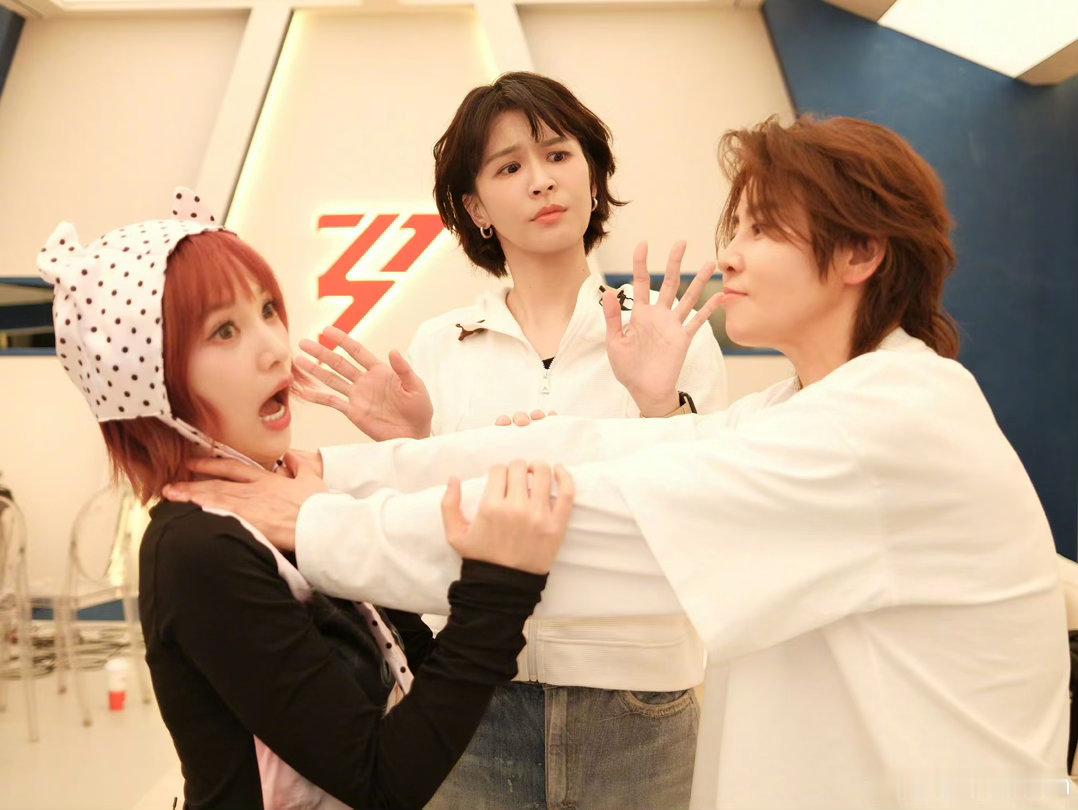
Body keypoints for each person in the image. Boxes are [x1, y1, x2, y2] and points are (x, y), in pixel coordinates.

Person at [167, 117, 1071, 809]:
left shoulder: (883, 428)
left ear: (862, 253)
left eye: (760, 230)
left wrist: (322, 524)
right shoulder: (810, 406)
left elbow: (604, 522)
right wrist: (344, 477)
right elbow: (587, 450)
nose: (728, 255)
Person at [37, 190, 574, 810]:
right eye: (224, 331)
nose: (274, 347)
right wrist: (499, 586)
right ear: (152, 383)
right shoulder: (197, 549)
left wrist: (388, 511)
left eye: (267, 309)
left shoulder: (282, 498)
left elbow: (418, 673)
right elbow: (380, 780)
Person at [292, 71, 725, 809]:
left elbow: (706, 513)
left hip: (639, 698)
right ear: (475, 207)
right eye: (508, 167)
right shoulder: (440, 345)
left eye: (558, 155)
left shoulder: (665, 330)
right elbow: (423, 537)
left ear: (593, 174)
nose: (541, 181)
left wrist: (658, 405)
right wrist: (417, 446)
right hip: (473, 699)